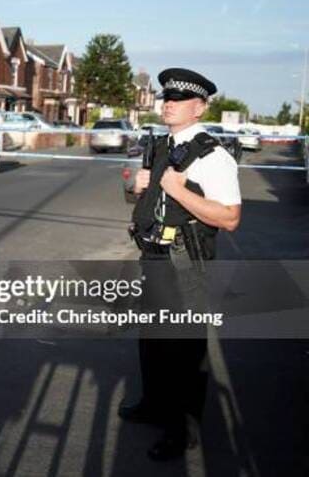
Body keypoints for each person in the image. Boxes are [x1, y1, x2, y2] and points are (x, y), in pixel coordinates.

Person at [121, 68, 242, 461]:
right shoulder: (158, 147)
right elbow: (146, 204)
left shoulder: (213, 155)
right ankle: (153, 405)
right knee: (152, 342)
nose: (168, 103)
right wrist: (135, 187)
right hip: (152, 256)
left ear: (201, 108)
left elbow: (229, 217)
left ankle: (181, 429)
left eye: (179, 98)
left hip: (186, 263)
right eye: (165, 96)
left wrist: (177, 189)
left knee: (184, 353)